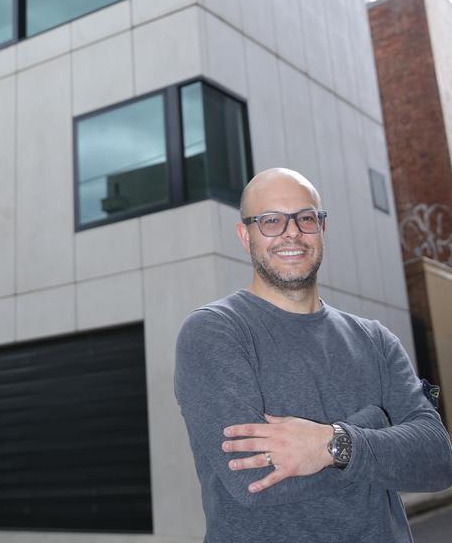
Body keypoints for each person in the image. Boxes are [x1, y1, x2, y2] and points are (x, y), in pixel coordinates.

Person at [174, 167, 452, 543]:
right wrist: (377, 423)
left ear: (322, 228)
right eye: (271, 220)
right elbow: (255, 481)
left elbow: (437, 460)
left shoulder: (374, 340)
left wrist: (334, 443)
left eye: (305, 218)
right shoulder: (216, 331)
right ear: (246, 236)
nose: (292, 232)